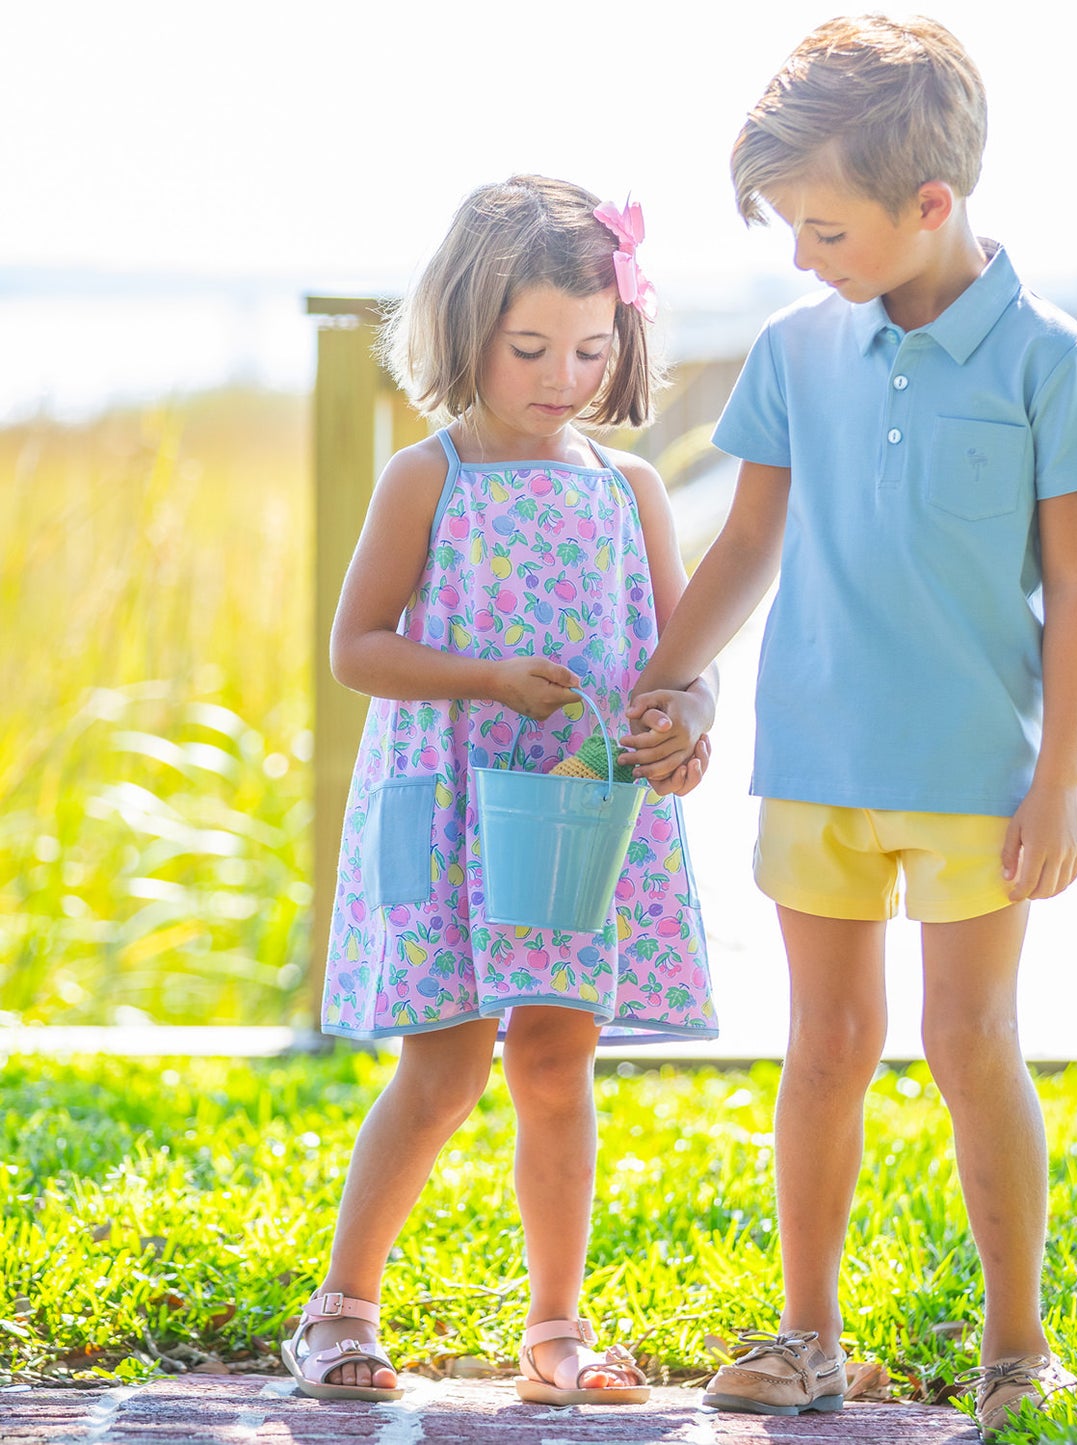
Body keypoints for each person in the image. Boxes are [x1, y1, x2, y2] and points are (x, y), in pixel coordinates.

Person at [620, 15, 1077, 1437]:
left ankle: (1017, 1342)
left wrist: (1062, 782)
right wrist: (662, 678)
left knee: (974, 1046)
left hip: (977, 775)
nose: (802, 256)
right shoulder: (797, 350)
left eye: (824, 228)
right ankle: (807, 1334)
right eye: (789, 226)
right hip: (815, 762)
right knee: (825, 1045)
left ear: (930, 205)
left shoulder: (1051, 359)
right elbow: (744, 547)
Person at [283, 175, 717, 1405]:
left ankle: (556, 1328)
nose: (562, 374)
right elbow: (357, 646)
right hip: (455, 800)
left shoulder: (627, 490)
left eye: (591, 347)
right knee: (445, 1064)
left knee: (556, 1060)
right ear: (467, 329)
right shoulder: (429, 474)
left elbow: (682, 662)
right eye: (530, 346)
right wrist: (481, 677)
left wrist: (682, 725)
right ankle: (341, 1307)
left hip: (575, 817)